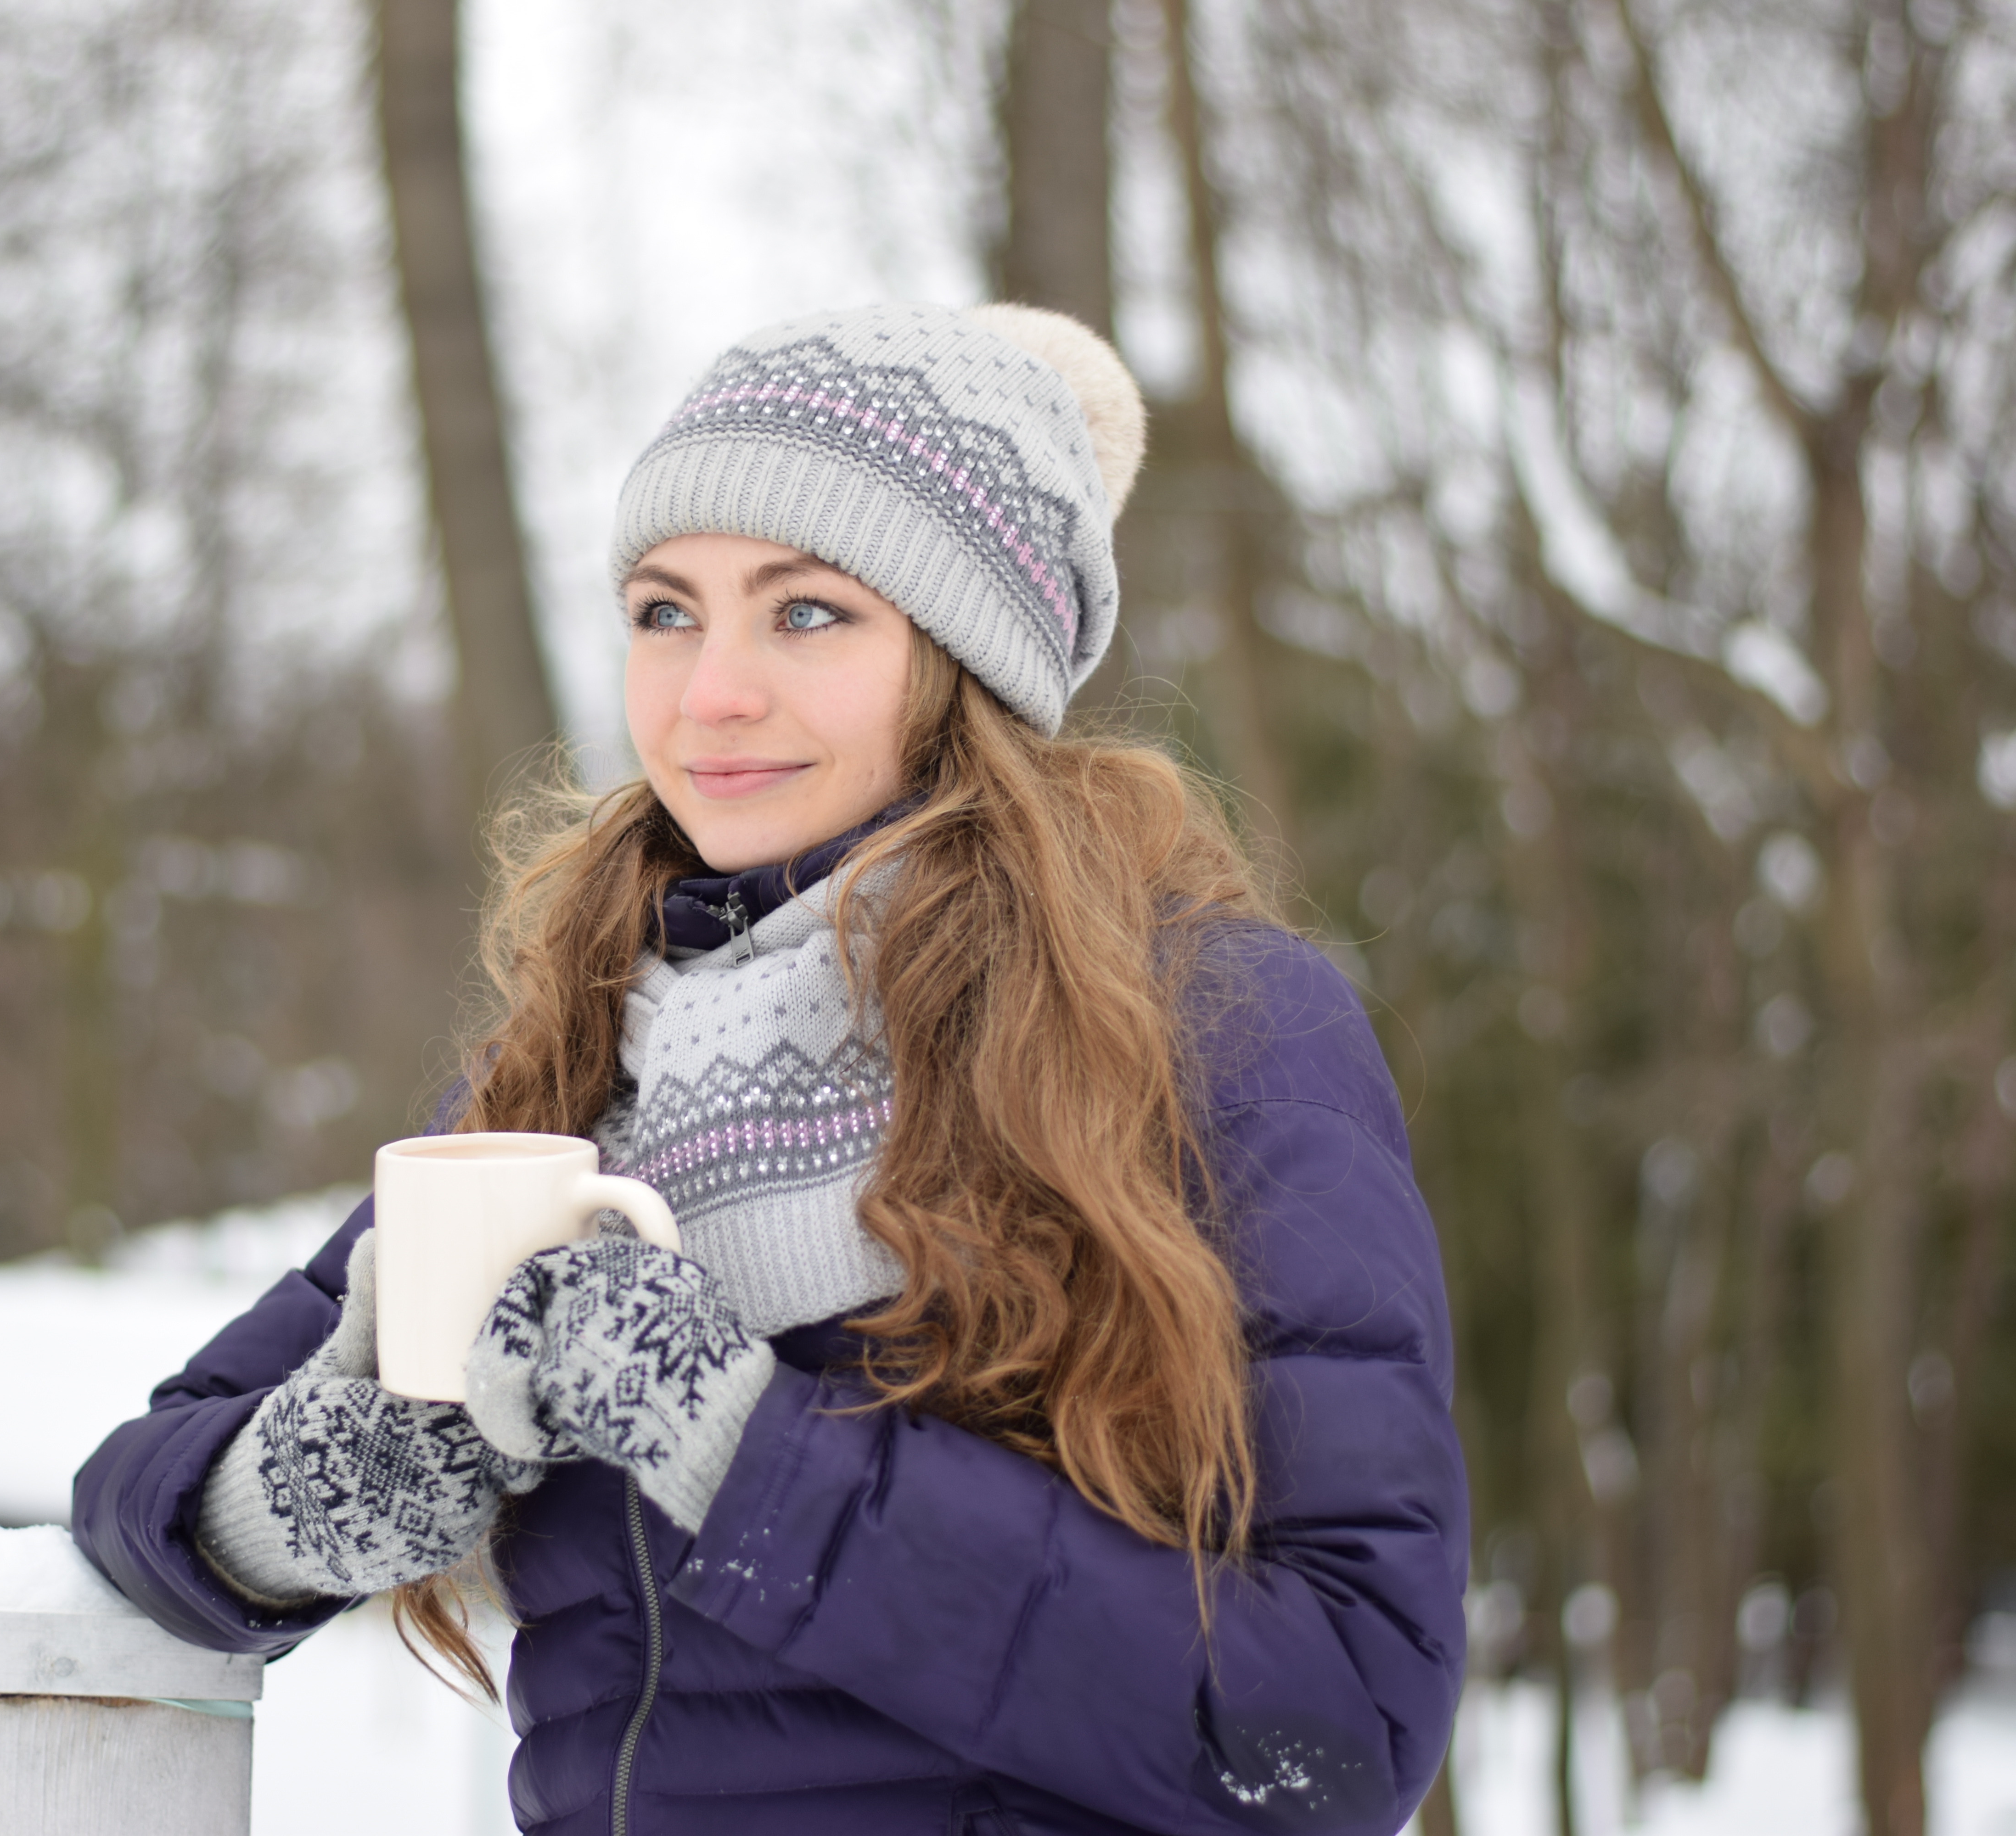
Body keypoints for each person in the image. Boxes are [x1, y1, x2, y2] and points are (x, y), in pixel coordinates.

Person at [75, 303, 1467, 1836]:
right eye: (665, 611)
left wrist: (735, 1450)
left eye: (806, 612)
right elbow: (140, 1489)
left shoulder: (1212, 1026)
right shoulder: (584, 1058)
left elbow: (1339, 1730)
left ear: (968, 659)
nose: (710, 693)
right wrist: (309, 1495)